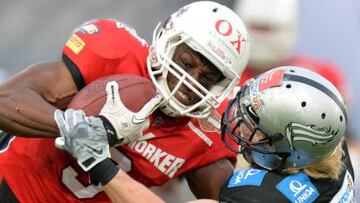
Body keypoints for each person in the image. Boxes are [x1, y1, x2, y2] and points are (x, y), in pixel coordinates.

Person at [0, 1, 251, 202]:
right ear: (167, 40)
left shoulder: (206, 132)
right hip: (11, 186)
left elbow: (230, 199)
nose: (190, 80)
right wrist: (77, 130)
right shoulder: (117, 54)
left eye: (206, 78)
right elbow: (7, 100)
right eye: (186, 63)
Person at [55, 66, 354, 203]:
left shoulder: (260, 196)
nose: (241, 124)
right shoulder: (326, 145)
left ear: (292, 149)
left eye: (255, 124)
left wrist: (102, 166)